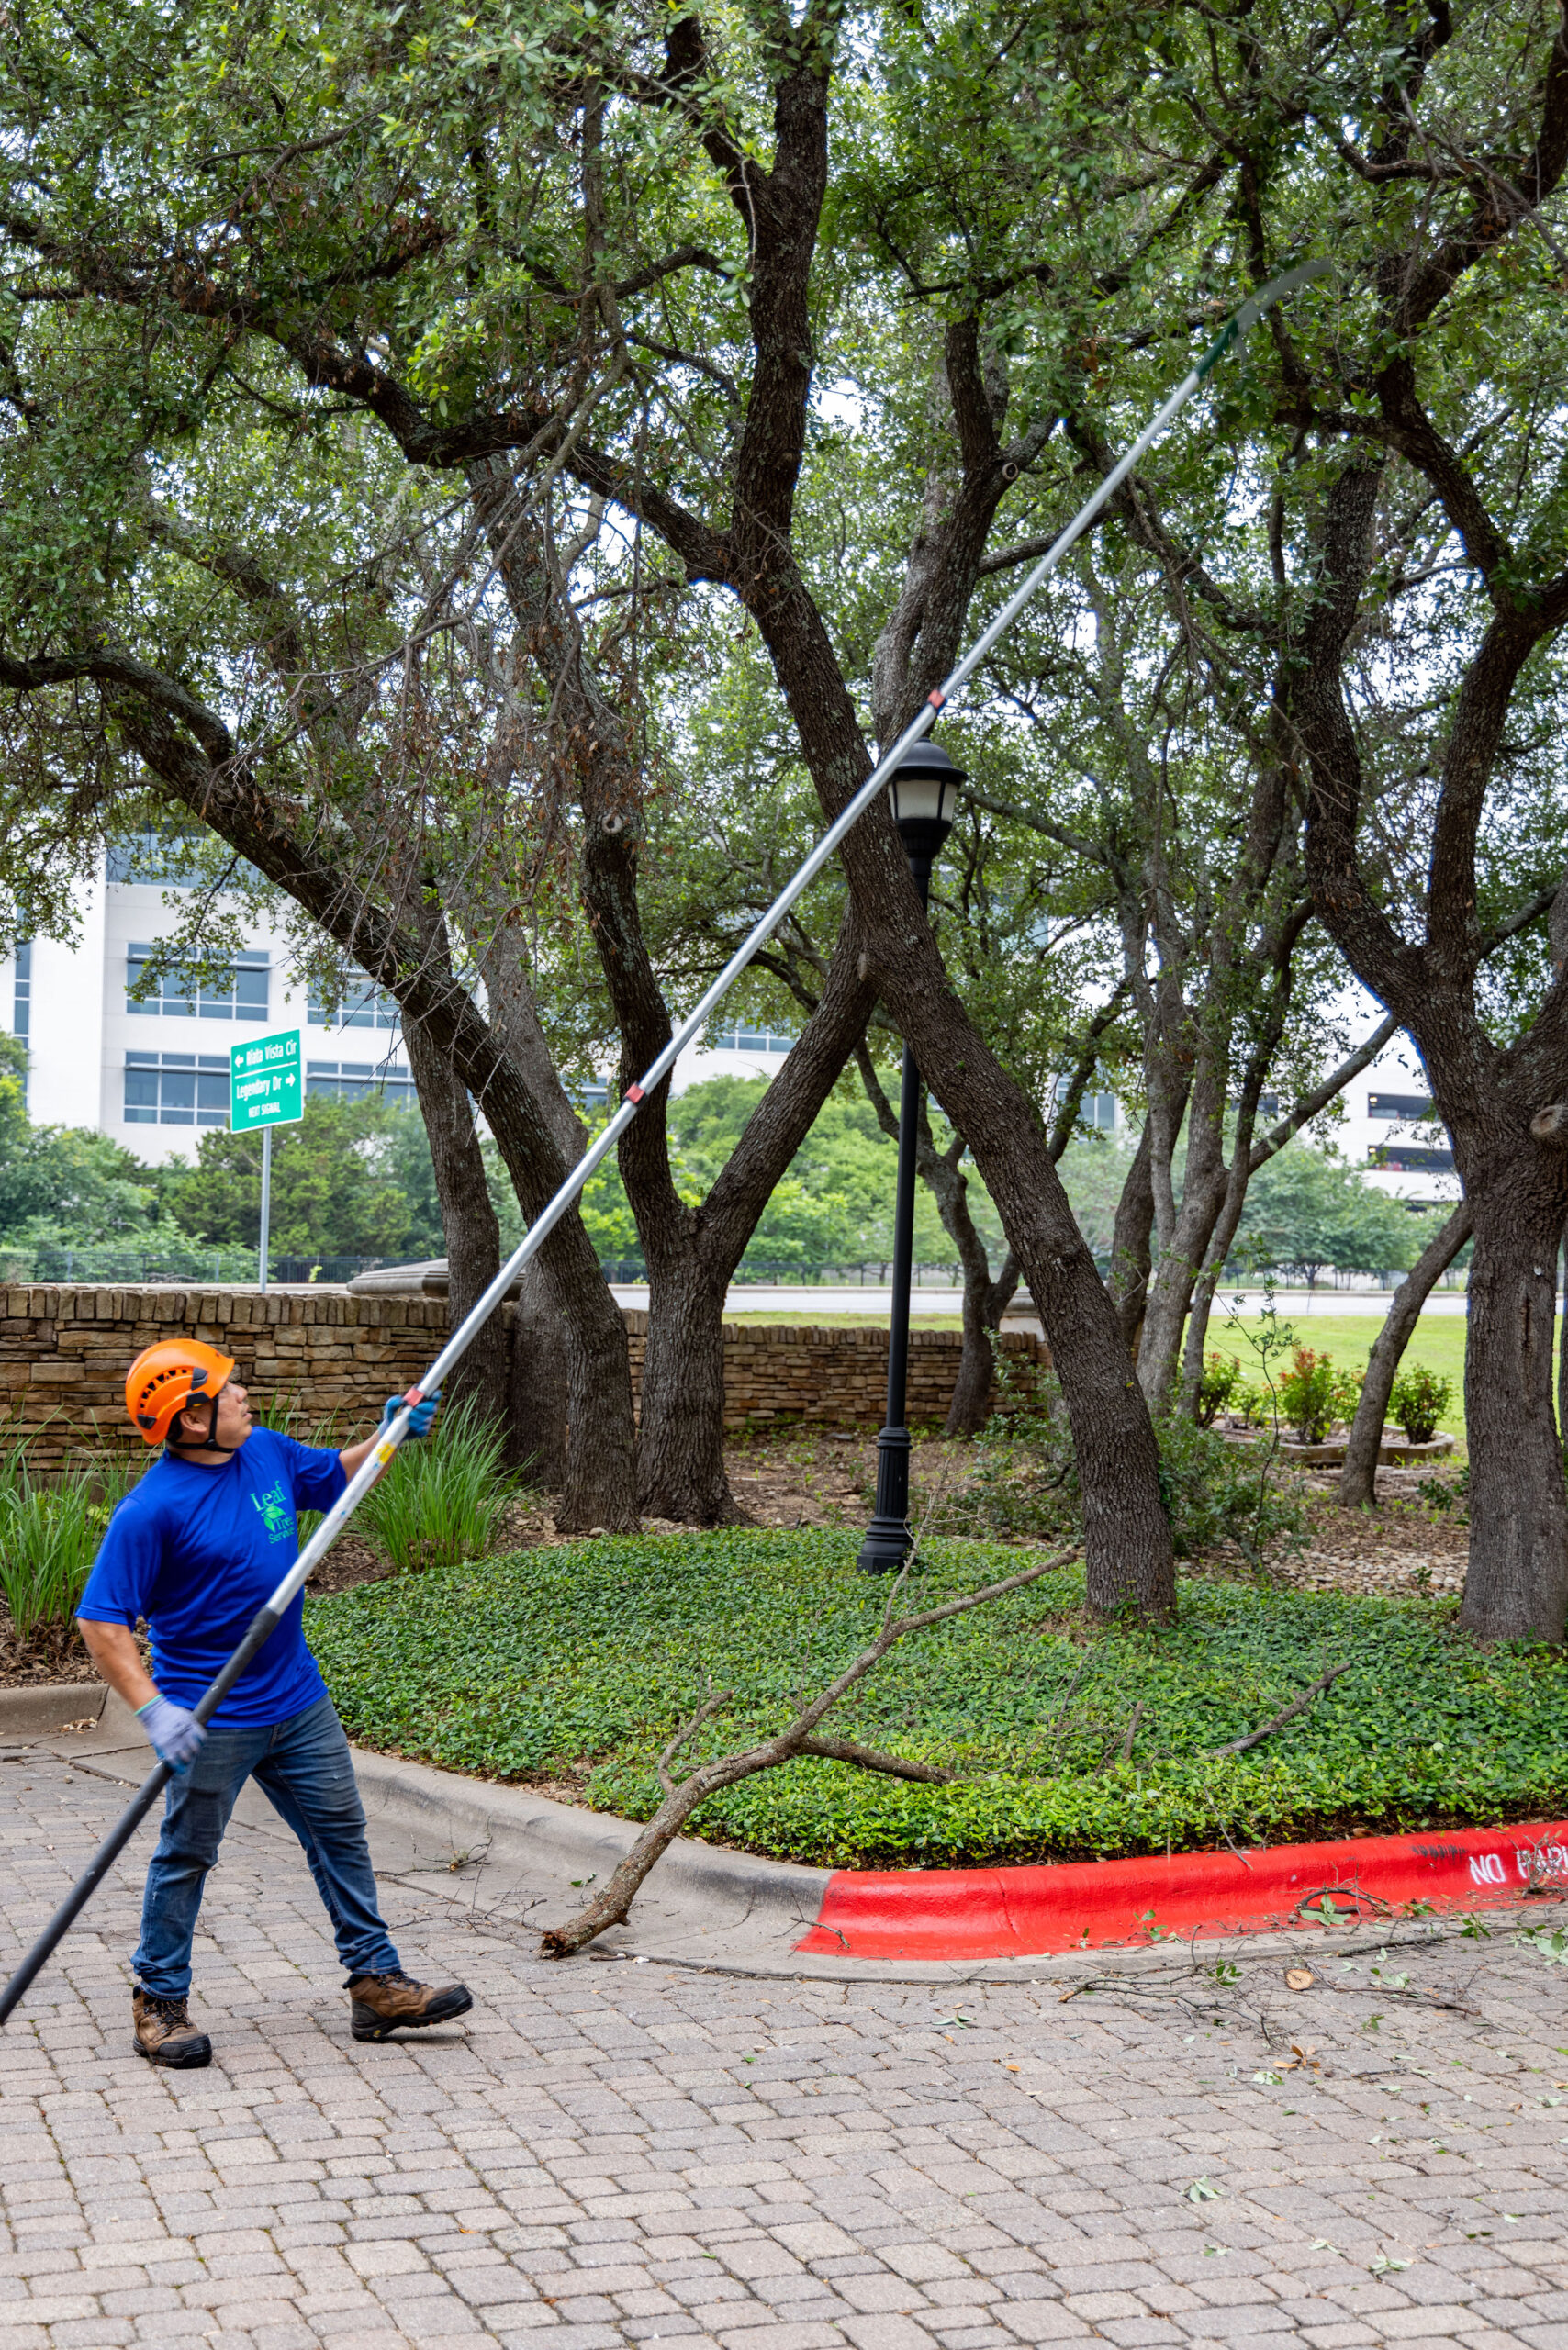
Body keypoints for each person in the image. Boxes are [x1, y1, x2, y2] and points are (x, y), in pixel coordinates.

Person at [75, 1337, 474, 2069]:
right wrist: (153, 1708)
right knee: (187, 1857)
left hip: (297, 1698)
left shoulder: (264, 1450)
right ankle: (159, 2000)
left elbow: (334, 1478)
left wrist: (387, 1437)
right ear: (190, 1421)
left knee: (340, 1834)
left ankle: (375, 1982)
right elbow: (102, 1622)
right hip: (209, 1717)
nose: (241, 1394)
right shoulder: (151, 1511)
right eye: (225, 1391)